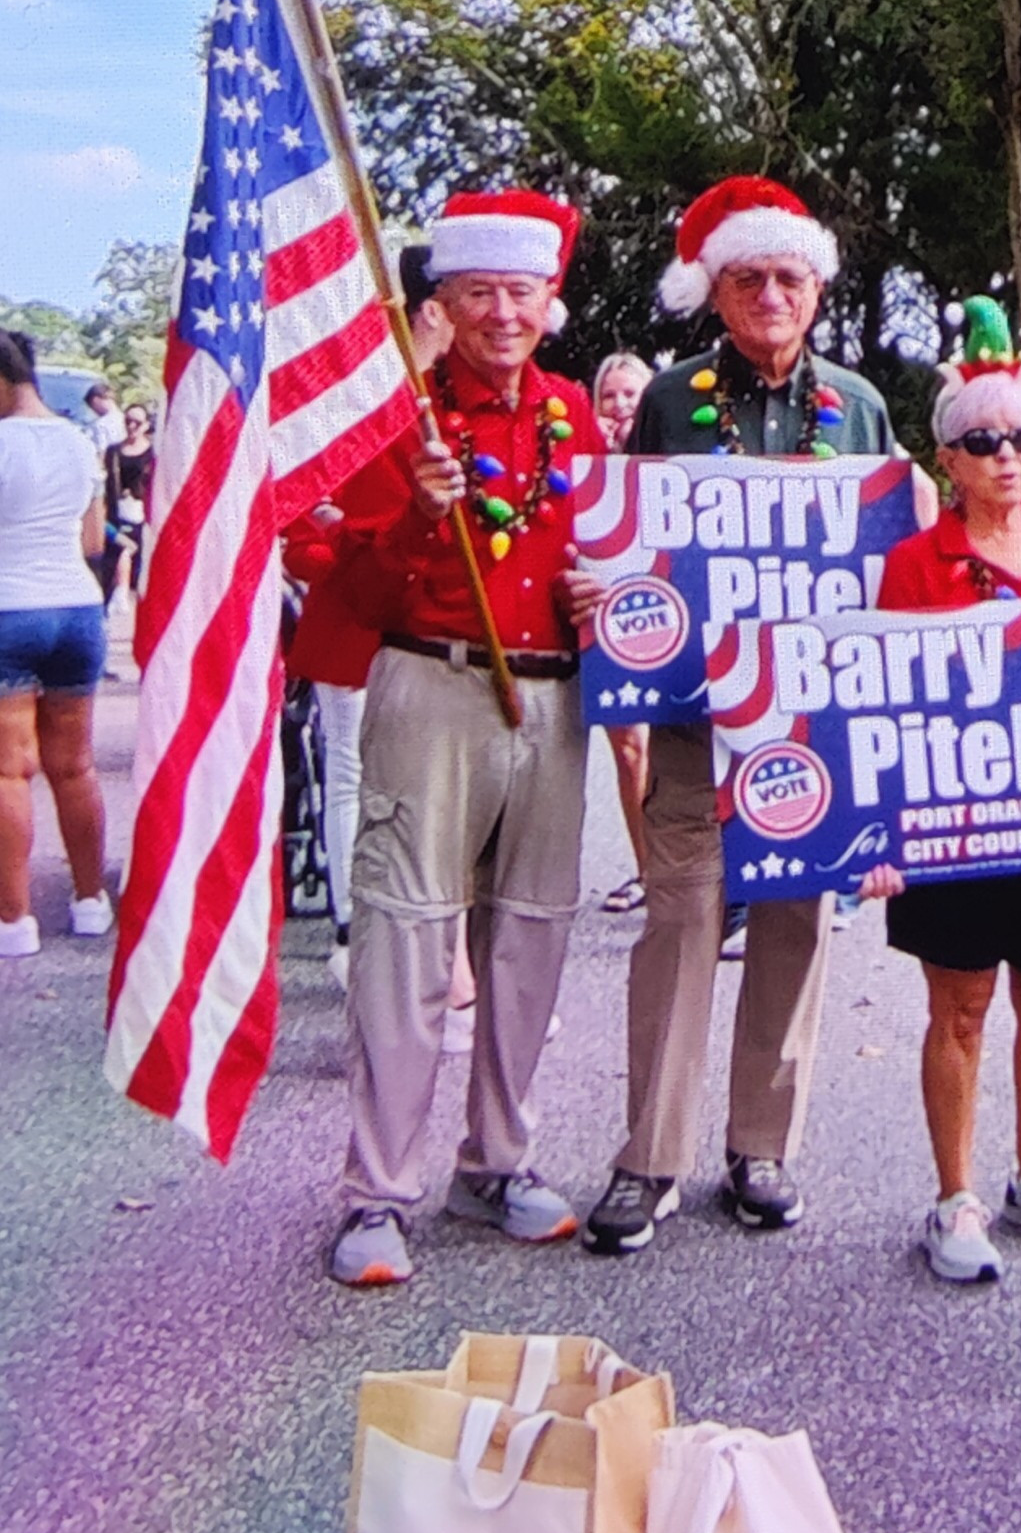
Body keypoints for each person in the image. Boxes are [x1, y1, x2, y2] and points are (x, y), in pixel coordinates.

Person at [586, 176, 916, 1258]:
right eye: (749, 277)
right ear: (716, 292)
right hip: (694, 712)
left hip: (810, 722)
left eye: (789, 276)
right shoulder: (674, 400)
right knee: (680, 919)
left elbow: (889, 559)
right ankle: (649, 1157)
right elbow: (629, 541)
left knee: (793, 925)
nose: (771, 294)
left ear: (817, 288)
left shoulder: (859, 405)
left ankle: (760, 1146)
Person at [323, 191, 606, 1288]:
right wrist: (416, 520)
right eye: (478, 291)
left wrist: (605, 592)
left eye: (519, 293)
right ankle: (377, 1191)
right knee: (406, 937)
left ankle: (499, 1159)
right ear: (442, 300)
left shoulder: (575, 413)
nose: (500, 312)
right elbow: (341, 578)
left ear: (550, 303)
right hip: (429, 680)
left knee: (530, 934)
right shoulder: (395, 414)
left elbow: (614, 549)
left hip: (555, 694)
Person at [855, 305, 1021, 1283]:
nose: (1008, 456)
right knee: (959, 1006)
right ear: (947, 459)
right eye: (983, 441)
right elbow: (878, 697)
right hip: (952, 821)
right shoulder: (912, 568)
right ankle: (954, 1192)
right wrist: (878, 829)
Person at [285, 245, 455, 982]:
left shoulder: (415, 389)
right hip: (359, 612)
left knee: (402, 778)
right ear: (430, 308)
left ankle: (408, 937)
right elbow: (303, 518)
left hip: (427, 616)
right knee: (357, 772)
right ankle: (358, 930)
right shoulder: (372, 393)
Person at [0, 329, 113, 957]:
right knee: (76, 765)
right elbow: (93, 542)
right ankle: (90, 899)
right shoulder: (78, 441)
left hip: (8, 607)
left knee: (9, 772)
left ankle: (15, 920)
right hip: (75, 608)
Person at [590, 350, 657, 915]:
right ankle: (647, 872)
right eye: (608, 396)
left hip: (669, 617)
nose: (619, 406)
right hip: (610, 618)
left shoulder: (669, 450)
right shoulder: (586, 459)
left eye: (631, 395)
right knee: (630, 751)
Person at [102, 402, 155, 609]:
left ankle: (124, 590)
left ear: (146, 425)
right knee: (121, 548)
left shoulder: (152, 453)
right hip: (117, 512)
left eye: (137, 422)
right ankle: (119, 592)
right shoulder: (113, 452)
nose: (132, 426)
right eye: (128, 421)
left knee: (130, 549)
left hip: (142, 513)